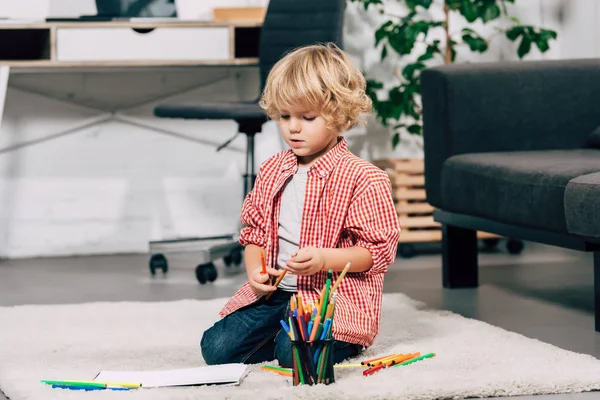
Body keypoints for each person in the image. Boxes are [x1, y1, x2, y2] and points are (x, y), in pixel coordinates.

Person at [200, 42, 401, 367]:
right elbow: (254, 235)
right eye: (285, 116)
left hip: (331, 299)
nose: (293, 127)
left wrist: (324, 259)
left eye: (307, 117)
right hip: (277, 296)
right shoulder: (272, 169)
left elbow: (375, 253)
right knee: (216, 348)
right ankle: (290, 336)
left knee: (291, 351)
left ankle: (335, 338)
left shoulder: (364, 177)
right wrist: (256, 271)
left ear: (339, 115)